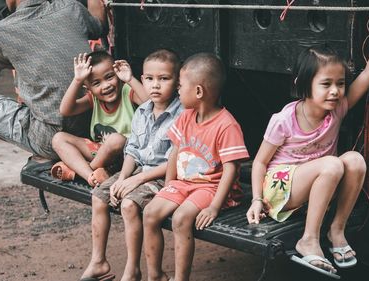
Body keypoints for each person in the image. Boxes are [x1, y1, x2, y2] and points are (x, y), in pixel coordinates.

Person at [245, 10, 369, 278]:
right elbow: (260, 161)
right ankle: (308, 239)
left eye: (340, 84)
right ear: (304, 85)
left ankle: (336, 230)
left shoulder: (337, 110)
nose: (335, 91)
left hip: (318, 184)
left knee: (354, 160)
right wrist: (256, 200)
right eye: (326, 84)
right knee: (331, 164)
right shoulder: (284, 119)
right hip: (280, 188)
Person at [143, 53, 249, 281]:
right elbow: (175, 153)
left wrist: (214, 207)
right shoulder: (186, 117)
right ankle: (155, 276)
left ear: (199, 92)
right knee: (150, 213)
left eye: (181, 86)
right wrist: (170, 185)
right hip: (184, 183)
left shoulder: (226, 124)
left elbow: (230, 170)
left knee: (181, 219)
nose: (178, 91)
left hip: (211, 187)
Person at [79, 49, 183, 281]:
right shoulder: (143, 111)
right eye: (149, 79)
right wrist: (125, 177)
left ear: (178, 83)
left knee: (128, 205)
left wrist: (136, 180)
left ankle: (132, 270)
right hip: (137, 171)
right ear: (142, 79)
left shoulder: (181, 115)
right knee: (99, 196)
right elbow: (133, 151)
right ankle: (98, 262)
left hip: (161, 176)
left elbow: (174, 162)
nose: (155, 85)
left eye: (164, 79)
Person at [0, 0, 108, 160]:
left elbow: (2, 63)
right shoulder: (71, 8)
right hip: (93, 126)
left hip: (48, 137)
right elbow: (100, 25)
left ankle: (52, 153)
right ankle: (74, 150)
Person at [51, 50, 149, 187]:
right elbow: (66, 110)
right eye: (96, 83)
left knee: (115, 139)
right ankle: (90, 176)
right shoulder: (94, 99)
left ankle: (78, 170)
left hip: (127, 156)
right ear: (89, 89)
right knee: (58, 138)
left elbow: (150, 103)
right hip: (100, 153)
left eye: (109, 77)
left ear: (118, 74)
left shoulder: (127, 91)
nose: (106, 85)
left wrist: (130, 79)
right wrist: (77, 80)